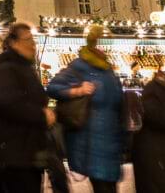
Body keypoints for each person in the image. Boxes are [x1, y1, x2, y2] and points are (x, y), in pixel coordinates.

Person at [47, 24, 124, 193]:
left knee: (109, 185)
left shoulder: (107, 69)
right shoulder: (79, 66)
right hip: (91, 140)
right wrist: (77, 90)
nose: (105, 47)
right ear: (93, 43)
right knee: (103, 186)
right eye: (102, 43)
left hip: (111, 138)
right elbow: (52, 87)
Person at [0, 22, 51, 193]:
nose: (32, 45)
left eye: (32, 40)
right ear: (13, 43)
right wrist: (42, 115)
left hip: (25, 152)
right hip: (12, 154)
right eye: (27, 40)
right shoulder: (7, 68)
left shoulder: (22, 67)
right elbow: (9, 103)